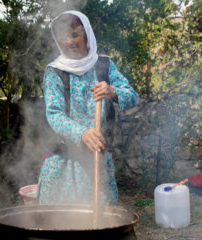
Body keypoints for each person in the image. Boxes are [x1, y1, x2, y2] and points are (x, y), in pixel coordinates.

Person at [37, 10, 138, 206]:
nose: (69, 42)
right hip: (62, 163)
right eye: (63, 37)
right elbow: (54, 113)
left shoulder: (104, 65)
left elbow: (132, 96)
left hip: (97, 161)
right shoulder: (55, 71)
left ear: (87, 35)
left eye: (75, 34)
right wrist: (82, 133)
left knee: (99, 220)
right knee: (57, 222)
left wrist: (113, 91)